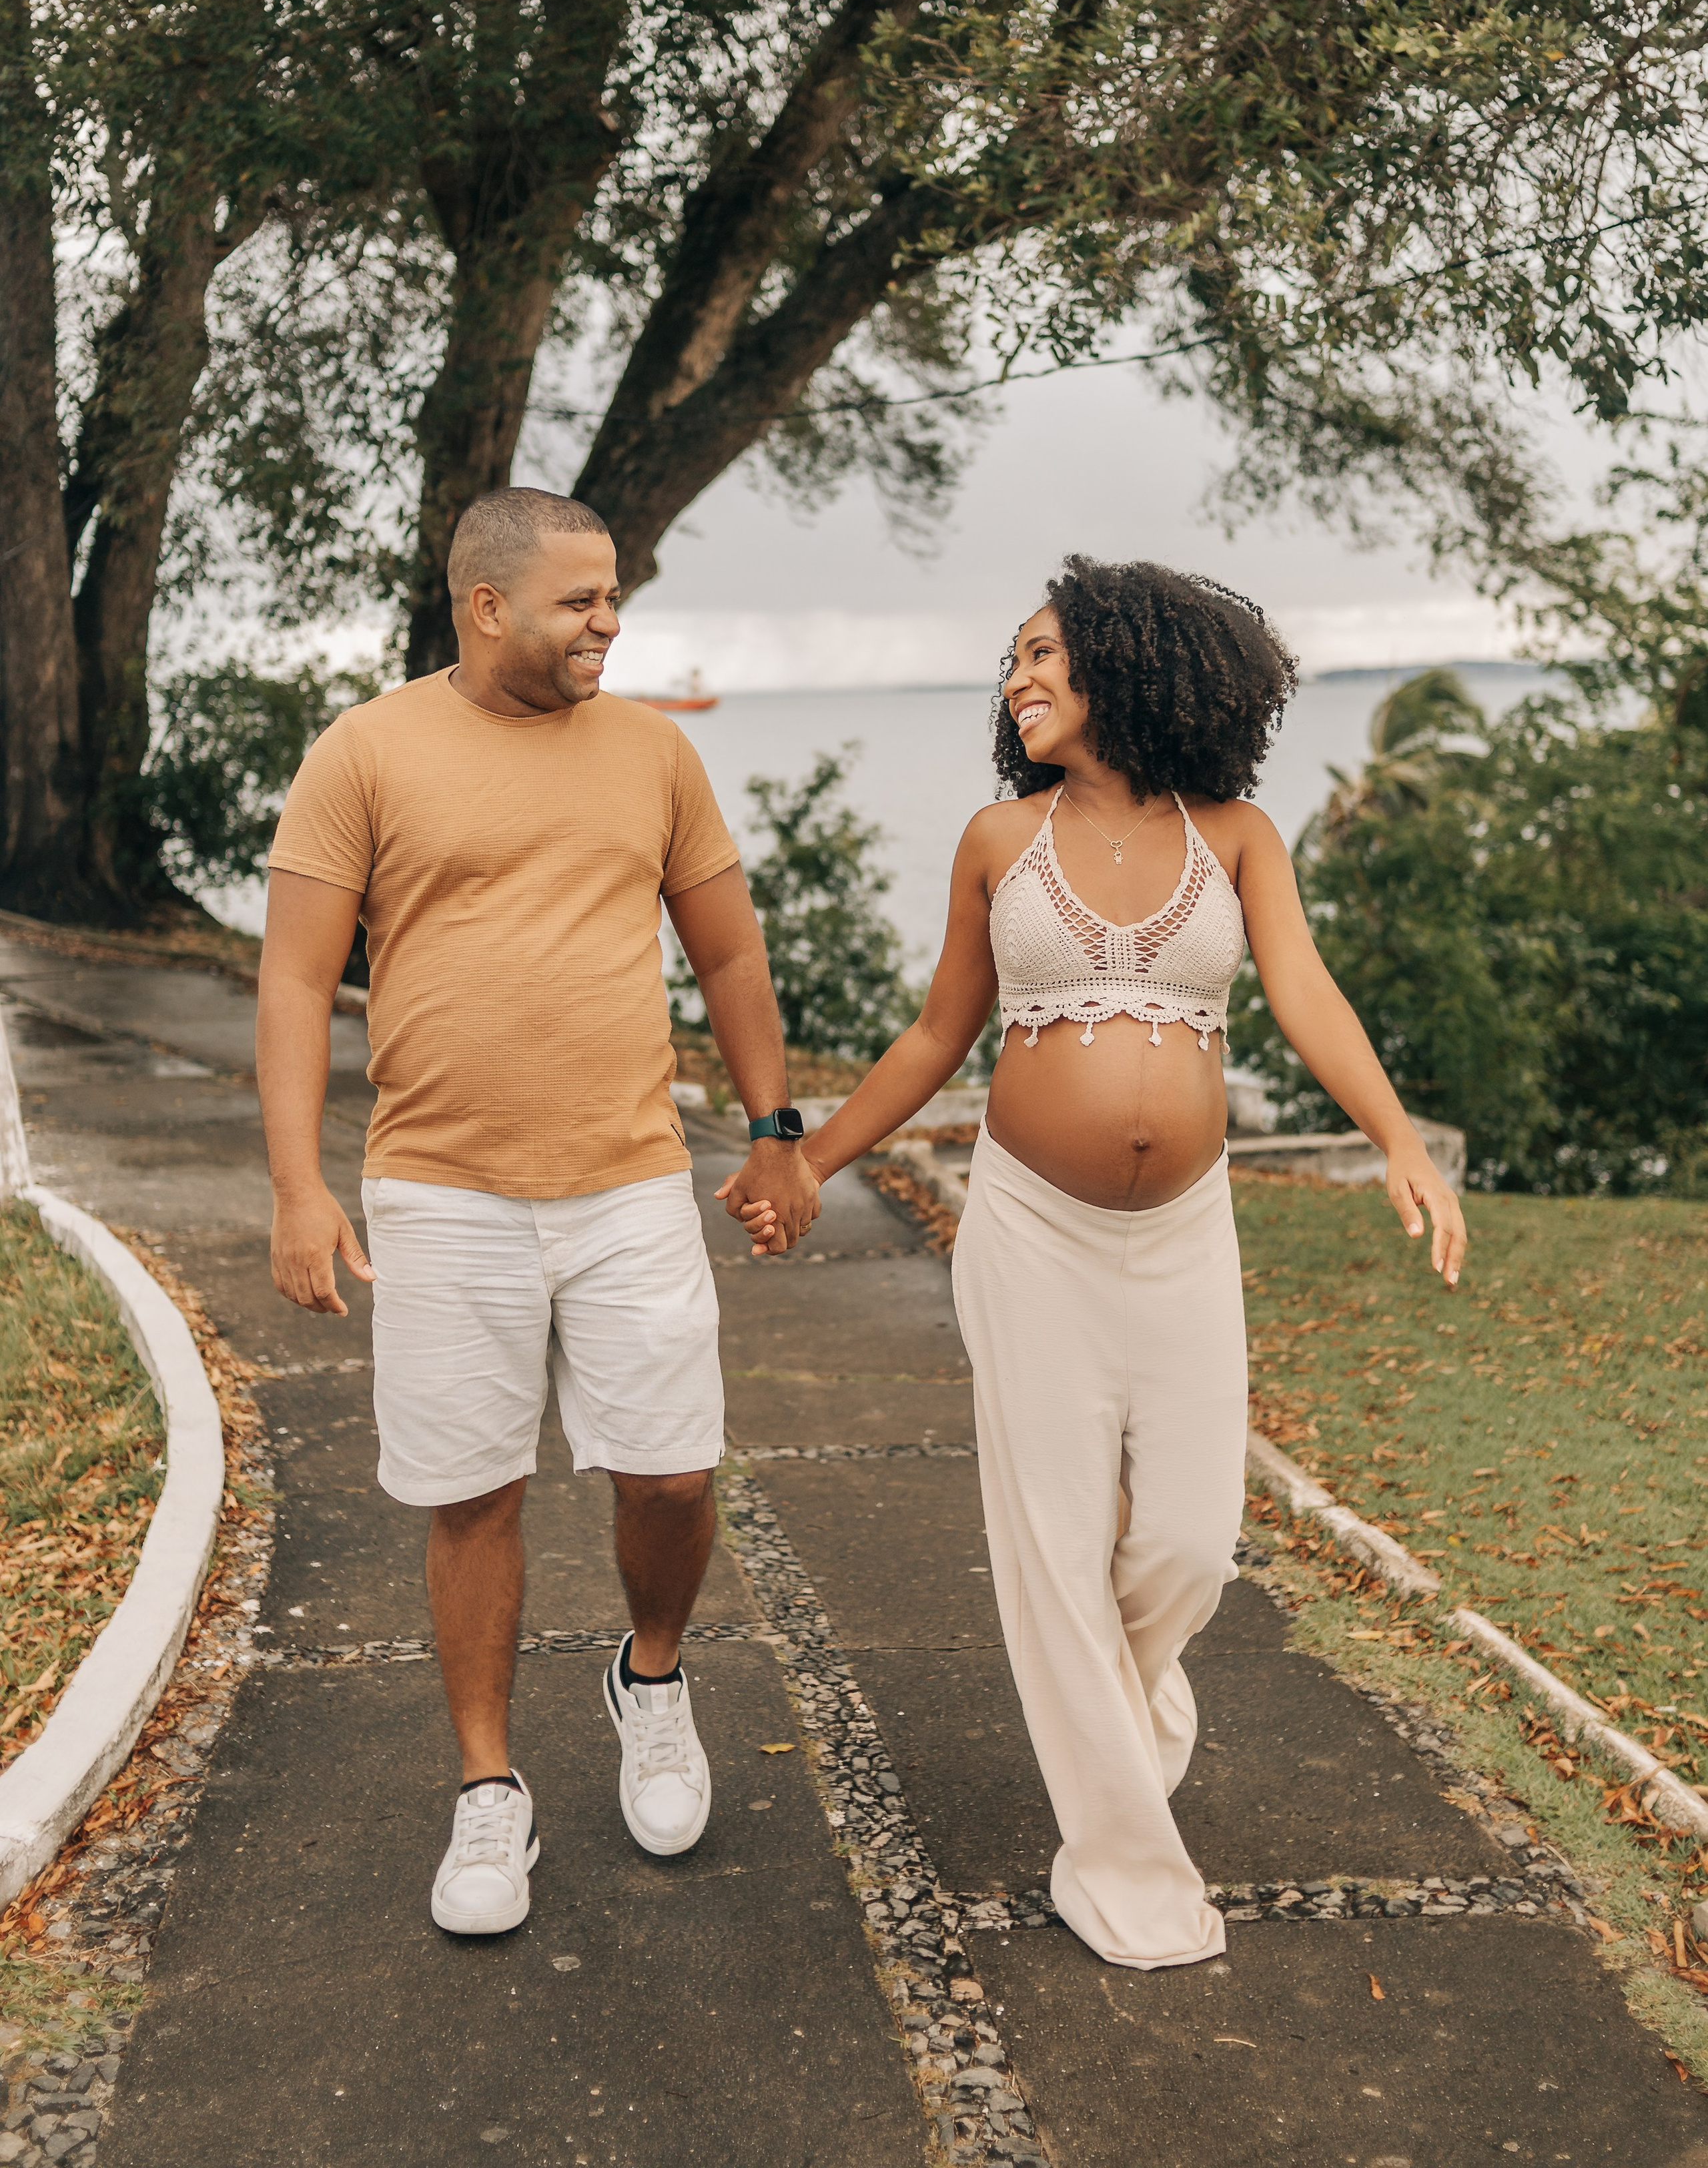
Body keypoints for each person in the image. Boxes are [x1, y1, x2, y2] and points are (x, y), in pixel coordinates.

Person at [733, 555, 1466, 1971]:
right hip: (1030, 1235)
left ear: (1127, 666)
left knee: (1189, 1539)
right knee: (1055, 1550)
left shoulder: (1236, 835)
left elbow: (1300, 991)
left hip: (1182, 1236)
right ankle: (1120, 1867)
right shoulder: (996, 839)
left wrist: (1395, 1140)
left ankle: (1121, 1724)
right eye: (1012, 658)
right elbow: (936, 1035)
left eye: (1043, 654)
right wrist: (806, 1163)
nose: (1017, 680)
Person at [256, 486, 819, 1936]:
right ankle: (489, 1793)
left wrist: (775, 1137)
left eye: (614, 595)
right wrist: (299, 1187)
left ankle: (649, 1675)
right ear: (487, 603)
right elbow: (295, 982)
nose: (610, 622)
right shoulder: (366, 752)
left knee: (673, 1474)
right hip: (441, 1195)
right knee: (471, 1494)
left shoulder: (652, 751)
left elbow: (732, 954)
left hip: (631, 1180)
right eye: (581, 600)